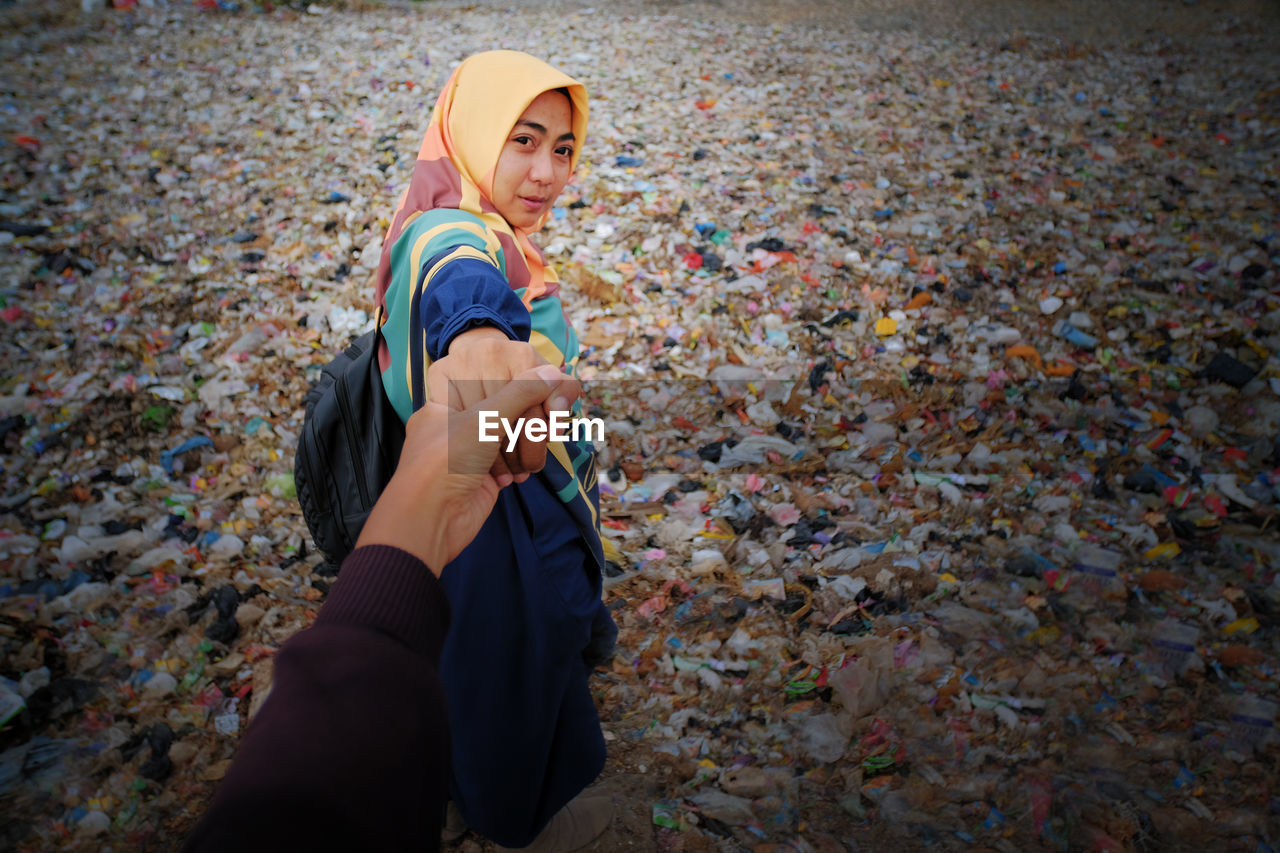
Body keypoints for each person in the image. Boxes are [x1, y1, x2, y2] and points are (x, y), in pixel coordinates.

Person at [371, 50, 616, 850]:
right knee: (513, 659)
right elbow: (460, 281)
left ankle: (452, 782)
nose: (547, 171)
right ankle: (514, 815)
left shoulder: (454, 210)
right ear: (474, 132)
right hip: (497, 504)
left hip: (478, 480)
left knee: (469, 655)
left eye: (564, 148)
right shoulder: (454, 230)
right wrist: (477, 334)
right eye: (523, 139)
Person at [184, 365, 583, 852]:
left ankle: (458, 803)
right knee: (504, 692)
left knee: (465, 687)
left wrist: (422, 506)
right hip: (475, 571)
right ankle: (519, 828)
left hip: (434, 568)